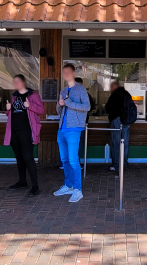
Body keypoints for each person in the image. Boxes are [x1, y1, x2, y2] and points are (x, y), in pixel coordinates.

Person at [54, 63, 90, 203]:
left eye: (69, 71)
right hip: (62, 129)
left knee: (73, 160)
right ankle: (68, 185)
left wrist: (68, 102)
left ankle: (77, 189)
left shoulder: (80, 89)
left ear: (74, 73)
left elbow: (87, 107)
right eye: (64, 72)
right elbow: (59, 111)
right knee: (65, 160)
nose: (66, 74)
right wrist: (60, 104)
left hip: (74, 129)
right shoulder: (63, 91)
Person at [5, 74, 44, 197]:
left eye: (17, 81)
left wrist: (30, 105)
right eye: (14, 81)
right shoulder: (14, 96)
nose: (15, 83)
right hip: (14, 132)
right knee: (19, 158)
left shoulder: (33, 95)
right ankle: (22, 182)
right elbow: (11, 114)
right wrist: (7, 109)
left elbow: (41, 111)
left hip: (27, 132)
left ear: (23, 82)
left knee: (28, 158)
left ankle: (35, 186)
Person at [104, 81, 132, 172]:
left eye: (111, 87)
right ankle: (124, 164)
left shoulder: (114, 95)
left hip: (116, 120)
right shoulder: (126, 94)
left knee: (116, 143)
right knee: (125, 143)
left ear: (114, 87)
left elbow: (107, 108)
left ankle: (116, 165)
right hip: (126, 121)